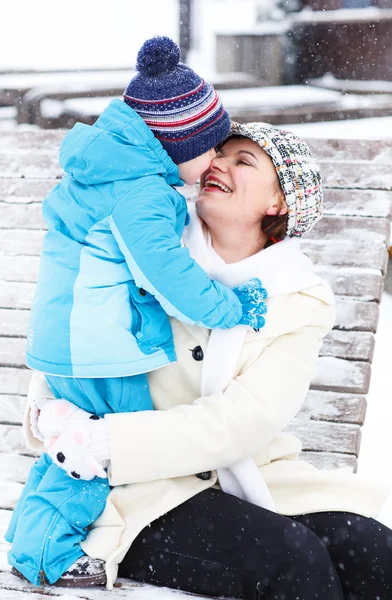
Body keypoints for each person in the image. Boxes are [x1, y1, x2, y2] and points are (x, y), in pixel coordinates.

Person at [20, 123, 391, 599]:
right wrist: (49, 411)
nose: (217, 163)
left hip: (247, 478)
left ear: (278, 204)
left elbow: (241, 422)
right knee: (293, 561)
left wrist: (110, 439)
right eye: (219, 153)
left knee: (374, 552)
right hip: (141, 490)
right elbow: (67, 327)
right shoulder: (147, 244)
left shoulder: (298, 299)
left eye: (243, 161)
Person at [4, 37, 267, 587]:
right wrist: (230, 307)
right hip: (96, 347)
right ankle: (45, 552)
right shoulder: (141, 194)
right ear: (178, 143)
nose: (214, 161)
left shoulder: (113, 174)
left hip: (74, 336)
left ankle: (31, 531)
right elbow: (168, 275)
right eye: (211, 148)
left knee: (71, 443)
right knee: (95, 449)